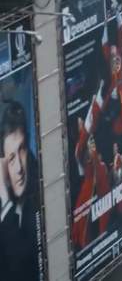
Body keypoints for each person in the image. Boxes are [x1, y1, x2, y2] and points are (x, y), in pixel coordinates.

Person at [0, 102, 40, 280]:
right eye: (10, 159)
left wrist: (6, 202)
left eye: (21, 150)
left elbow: (22, 266)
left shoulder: (39, 189)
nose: (18, 169)